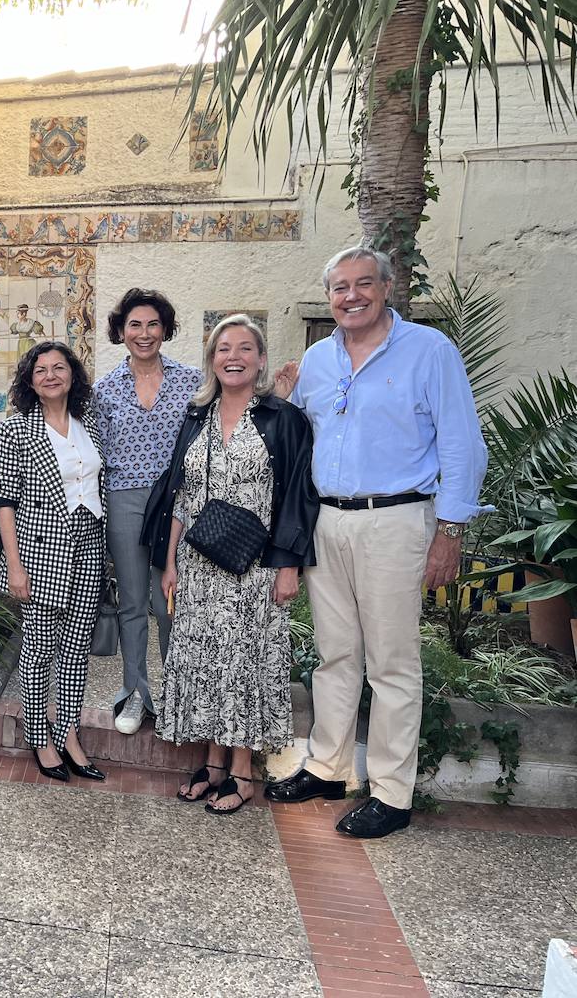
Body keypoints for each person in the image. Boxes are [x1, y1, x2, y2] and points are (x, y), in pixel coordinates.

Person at [265, 247, 488, 838]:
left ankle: (392, 792)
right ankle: (328, 766)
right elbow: (297, 437)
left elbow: (462, 444)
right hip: (327, 521)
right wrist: (282, 400)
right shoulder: (317, 359)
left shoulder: (429, 352)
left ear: (387, 288)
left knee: (392, 663)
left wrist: (451, 530)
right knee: (335, 654)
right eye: (339, 287)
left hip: (396, 520)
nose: (351, 296)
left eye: (364, 284)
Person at [141, 315, 318, 815]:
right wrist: (170, 560)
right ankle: (213, 762)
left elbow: (297, 498)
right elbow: (182, 493)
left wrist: (289, 566)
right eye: (223, 348)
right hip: (198, 564)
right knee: (204, 664)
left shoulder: (283, 418)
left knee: (243, 665)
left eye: (244, 348)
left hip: (255, 566)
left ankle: (241, 771)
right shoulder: (197, 415)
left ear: (260, 359)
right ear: (211, 359)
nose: (233, 356)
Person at [0, 340, 106, 782]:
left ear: (72, 375)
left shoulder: (88, 425)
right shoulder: (15, 430)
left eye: (59, 368)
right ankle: (40, 738)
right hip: (39, 553)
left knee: (76, 651)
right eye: (41, 370)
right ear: (30, 380)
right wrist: (14, 566)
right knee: (38, 652)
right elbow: (5, 502)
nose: (51, 375)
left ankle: (70, 734)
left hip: (88, 548)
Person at [92, 288, 201, 735]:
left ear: (166, 329)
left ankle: (179, 697)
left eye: (153, 324)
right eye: (134, 325)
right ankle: (135, 695)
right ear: (121, 331)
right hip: (124, 500)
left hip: (176, 503)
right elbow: (96, 453)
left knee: (169, 603)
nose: (144, 333)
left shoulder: (192, 381)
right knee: (134, 602)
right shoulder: (104, 390)